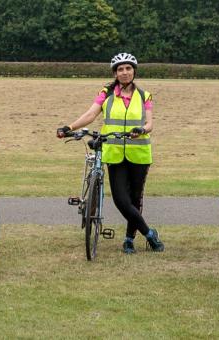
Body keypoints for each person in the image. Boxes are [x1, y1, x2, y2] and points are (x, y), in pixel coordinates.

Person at [56, 52, 164, 254]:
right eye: (120, 69)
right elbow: (90, 114)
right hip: (114, 153)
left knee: (135, 199)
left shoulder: (144, 96)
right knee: (121, 200)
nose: (124, 72)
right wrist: (68, 127)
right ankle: (149, 233)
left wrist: (142, 129)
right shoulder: (106, 93)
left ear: (134, 71)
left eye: (128, 68)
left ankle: (129, 239)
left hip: (139, 153)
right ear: (115, 73)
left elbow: (149, 123)